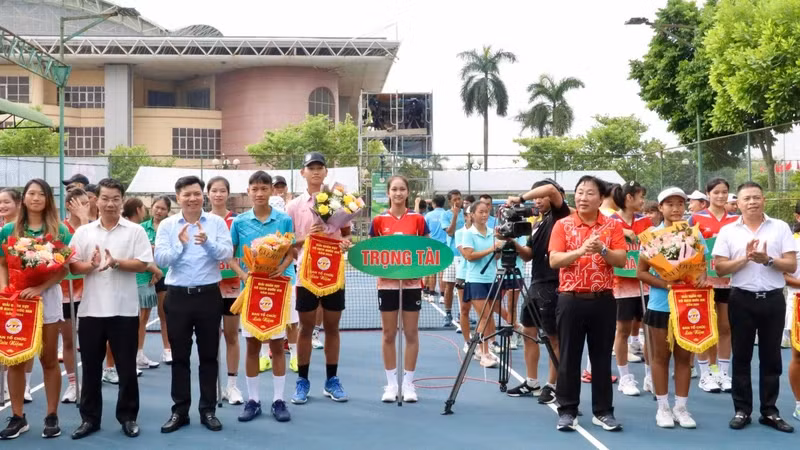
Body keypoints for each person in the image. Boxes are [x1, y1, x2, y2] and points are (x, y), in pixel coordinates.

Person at [68, 178, 153, 440]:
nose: (110, 203)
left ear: (122, 200)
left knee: (127, 368)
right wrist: (91, 265)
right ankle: (89, 419)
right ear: (97, 200)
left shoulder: (134, 231)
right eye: (105, 198)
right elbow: (72, 267)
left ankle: (128, 417)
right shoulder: (84, 232)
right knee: (91, 368)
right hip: (91, 311)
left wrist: (116, 263)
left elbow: (142, 264)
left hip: (124, 310)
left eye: (115, 198)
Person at [714, 181, 796, 433]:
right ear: (736, 203)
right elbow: (719, 267)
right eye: (746, 198)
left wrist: (768, 260)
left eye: (756, 197)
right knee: (741, 356)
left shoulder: (780, 227)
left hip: (772, 299)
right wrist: (745, 259)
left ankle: (769, 411)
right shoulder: (728, 231)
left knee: (771, 358)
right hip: (741, 299)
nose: (752, 202)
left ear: (764, 200)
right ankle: (742, 409)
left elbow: (791, 265)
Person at [155, 175, 233, 433]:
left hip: (209, 296)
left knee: (209, 356)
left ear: (203, 196)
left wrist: (207, 242)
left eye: (197, 193)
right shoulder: (167, 225)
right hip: (177, 296)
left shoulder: (217, 223)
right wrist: (181, 244)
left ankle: (208, 410)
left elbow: (227, 253)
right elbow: (162, 259)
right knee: (180, 357)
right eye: (187, 194)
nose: (192, 198)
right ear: (178, 198)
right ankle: (180, 411)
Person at [549, 175, 626, 432]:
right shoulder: (563, 225)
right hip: (570, 300)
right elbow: (555, 260)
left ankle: (603, 411)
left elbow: (621, 260)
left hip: (603, 300)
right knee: (569, 357)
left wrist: (602, 249)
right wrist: (581, 250)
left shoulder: (612, 227)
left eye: (589, 193)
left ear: (600, 198)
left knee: (601, 358)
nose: (583, 197)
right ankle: (567, 410)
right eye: (580, 192)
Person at [0, 179, 72, 439]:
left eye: (41, 194)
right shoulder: (9, 229)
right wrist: (5, 289)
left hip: (47, 299)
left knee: (49, 359)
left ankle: (51, 415)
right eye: (31, 193)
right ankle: (18, 417)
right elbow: (3, 264)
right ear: (24, 198)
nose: (36, 198)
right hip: (17, 302)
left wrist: (41, 287)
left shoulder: (59, 230)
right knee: (16, 359)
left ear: (48, 199)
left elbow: (64, 268)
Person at [229, 171, 296, 422]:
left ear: (271, 191)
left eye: (264, 188)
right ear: (248, 191)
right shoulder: (239, 222)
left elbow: (292, 250)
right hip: (253, 290)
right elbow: (229, 255)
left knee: (278, 346)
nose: (259, 193)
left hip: (279, 289)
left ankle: (279, 400)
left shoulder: (284, 219)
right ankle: (253, 400)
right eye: (254, 189)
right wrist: (243, 275)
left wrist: (282, 265)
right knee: (252, 346)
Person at [287, 152, 353, 404]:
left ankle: (331, 380)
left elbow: (347, 234)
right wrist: (307, 238)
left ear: (326, 172)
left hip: (334, 273)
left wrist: (344, 242)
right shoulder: (294, 206)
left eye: (320, 167)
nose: (315, 172)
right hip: (306, 276)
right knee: (305, 328)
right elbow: (289, 244)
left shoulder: (340, 202)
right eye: (310, 168)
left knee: (332, 328)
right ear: (303, 173)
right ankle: (302, 381)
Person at [637, 187, 706, 429]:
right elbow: (641, 273)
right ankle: (663, 408)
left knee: (685, 359)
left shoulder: (694, 234)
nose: (676, 208)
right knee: (660, 357)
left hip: (689, 305)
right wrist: (667, 283)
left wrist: (700, 277)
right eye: (670, 204)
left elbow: (702, 265)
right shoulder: (650, 236)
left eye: (680, 203)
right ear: (660, 207)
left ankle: (682, 408)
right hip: (660, 306)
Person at [504, 179, 570, 404]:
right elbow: (529, 255)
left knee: (553, 337)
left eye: (540, 197)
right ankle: (532, 381)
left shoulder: (562, 215)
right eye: (535, 198)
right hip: (535, 284)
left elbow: (550, 189)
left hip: (555, 284)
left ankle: (553, 385)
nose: (538, 201)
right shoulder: (538, 222)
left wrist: (520, 198)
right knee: (529, 332)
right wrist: (512, 242)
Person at [369, 176, 428, 403]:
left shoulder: (418, 219)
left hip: (412, 284)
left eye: (402, 189)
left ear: (408, 192)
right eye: (394, 189)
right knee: (388, 333)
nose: (398, 193)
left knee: (411, 333)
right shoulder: (378, 220)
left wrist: (417, 269)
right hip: (387, 284)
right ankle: (392, 384)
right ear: (388, 193)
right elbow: (372, 252)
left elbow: (427, 250)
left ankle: (409, 384)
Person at [689, 178, 738, 394]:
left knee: (725, 327)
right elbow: (688, 248)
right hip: (703, 281)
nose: (720, 196)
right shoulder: (695, 218)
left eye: (724, 192)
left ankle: (723, 372)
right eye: (716, 192)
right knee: (705, 327)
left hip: (728, 281)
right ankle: (706, 373)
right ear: (708, 194)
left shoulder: (736, 220)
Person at [609, 182, 651, 397]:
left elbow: (653, 248)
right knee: (622, 331)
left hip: (644, 285)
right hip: (621, 286)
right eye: (640, 196)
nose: (643, 201)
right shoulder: (611, 222)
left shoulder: (646, 222)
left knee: (649, 333)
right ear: (629, 198)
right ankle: (625, 377)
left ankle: (649, 376)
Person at [206, 177, 245, 403]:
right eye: (214, 191)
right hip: (208, 287)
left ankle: (232, 386)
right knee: (210, 339)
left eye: (222, 191)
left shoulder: (237, 222)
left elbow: (240, 253)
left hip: (232, 289)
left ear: (228, 194)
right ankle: (213, 386)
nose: (218, 194)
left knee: (231, 336)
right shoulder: (202, 221)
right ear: (208, 194)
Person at [0, 188, 35, 404]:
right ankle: (5, 386)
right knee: (5, 340)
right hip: (6, 293)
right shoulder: (3, 231)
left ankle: (26, 385)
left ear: (18, 203)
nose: (2, 206)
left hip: (25, 294)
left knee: (25, 340)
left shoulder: (27, 231)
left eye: (6, 202)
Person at [121, 199, 163, 372]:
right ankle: (130, 359)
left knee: (142, 320)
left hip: (144, 281)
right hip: (137, 282)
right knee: (134, 322)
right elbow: (140, 258)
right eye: (144, 209)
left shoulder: (135, 229)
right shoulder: (133, 230)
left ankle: (138, 355)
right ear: (138, 210)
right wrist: (158, 271)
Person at [59, 187, 91, 403]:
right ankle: (73, 384)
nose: (85, 207)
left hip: (91, 292)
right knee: (69, 341)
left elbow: (97, 250)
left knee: (91, 342)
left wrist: (85, 221)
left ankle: (90, 383)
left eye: (88, 203)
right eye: (81, 203)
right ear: (69, 205)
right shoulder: (61, 228)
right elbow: (61, 258)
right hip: (66, 293)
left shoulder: (94, 227)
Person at [461, 200, 502, 369]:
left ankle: (479, 347)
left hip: (492, 279)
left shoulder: (494, 233)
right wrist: (491, 249)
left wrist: (499, 250)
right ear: (472, 215)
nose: (484, 215)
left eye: (486, 212)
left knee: (487, 317)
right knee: (484, 316)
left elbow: (496, 258)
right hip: (476, 280)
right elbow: (469, 256)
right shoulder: (468, 234)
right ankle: (485, 354)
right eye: (481, 212)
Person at [141, 196, 172, 364]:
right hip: (144, 276)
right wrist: (151, 267)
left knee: (164, 314)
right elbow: (139, 250)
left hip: (165, 275)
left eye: (163, 209)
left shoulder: (169, 228)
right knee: (142, 317)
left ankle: (167, 350)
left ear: (167, 211)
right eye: (157, 207)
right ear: (151, 207)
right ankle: (139, 353)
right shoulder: (141, 228)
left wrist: (158, 269)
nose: (159, 211)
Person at [441, 190, 465, 328]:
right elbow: (450, 232)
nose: (458, 201)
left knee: (464, 287)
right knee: (449, 286)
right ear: (450, 201)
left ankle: (463, 314)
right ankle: (448, 313)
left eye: (459, 199)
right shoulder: (445, 215)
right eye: (455, 199)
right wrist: (455, 216)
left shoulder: (467, 213)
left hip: (465, 255)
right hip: (452, 255)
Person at [783, 231, 800, 421]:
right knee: (798, 355)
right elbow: (783, 275)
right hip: (798, 301)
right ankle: (799, 404)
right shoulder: (792, 241)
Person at [455, 204, 474, 348]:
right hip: (463, 275)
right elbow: (467, 255)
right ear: (466, 216)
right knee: (464, 309)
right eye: (470, 214)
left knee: (486, 312)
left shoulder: (489, 232)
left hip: (482, 276)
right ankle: (467, 342)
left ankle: (488, 342)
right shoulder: (459, 233)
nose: (472, 217)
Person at [424, 195, 447, 303]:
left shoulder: (428, 215)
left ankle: (431, 295)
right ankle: (442, 296)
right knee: (442, 272)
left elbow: (425, 231)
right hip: (444, 247)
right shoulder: (447, 214)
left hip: (431, 247)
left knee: (432, 272)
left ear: (433, 204)